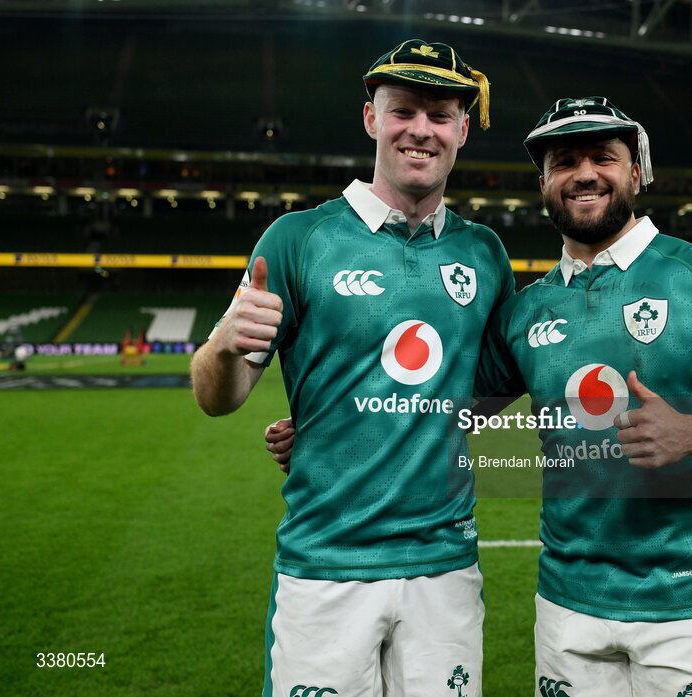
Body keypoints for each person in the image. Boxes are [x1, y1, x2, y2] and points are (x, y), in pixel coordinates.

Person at [267, 97, 692, 697]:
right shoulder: (527, 311)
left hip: (684, 602)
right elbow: (446, 405)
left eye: (604, 157)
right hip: (566, 609)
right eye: (563, 162)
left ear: (635, 171)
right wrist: (331, 428)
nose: (584, 173)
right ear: (545, 184)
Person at [191, 40, 512, 697]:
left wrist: (365, 421)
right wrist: (224, 345)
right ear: (372, 118)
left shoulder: (485, 253)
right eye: (404, 111)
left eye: (440, 114)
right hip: (326, 567)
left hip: (444, 571)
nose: (421, 129)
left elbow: (488, 387)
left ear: (462, 130)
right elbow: (216, 397)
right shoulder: (297, 238)